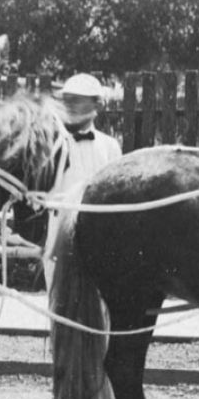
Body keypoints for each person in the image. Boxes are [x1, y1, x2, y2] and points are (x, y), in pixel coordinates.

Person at [42, 73, 123, 288]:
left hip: (98, 231)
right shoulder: (53, 144)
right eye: (66, 100)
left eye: (76, 100)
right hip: (60, 230)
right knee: (60, 295)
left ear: (97, 105)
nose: (69, 106)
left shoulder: (110, 146)